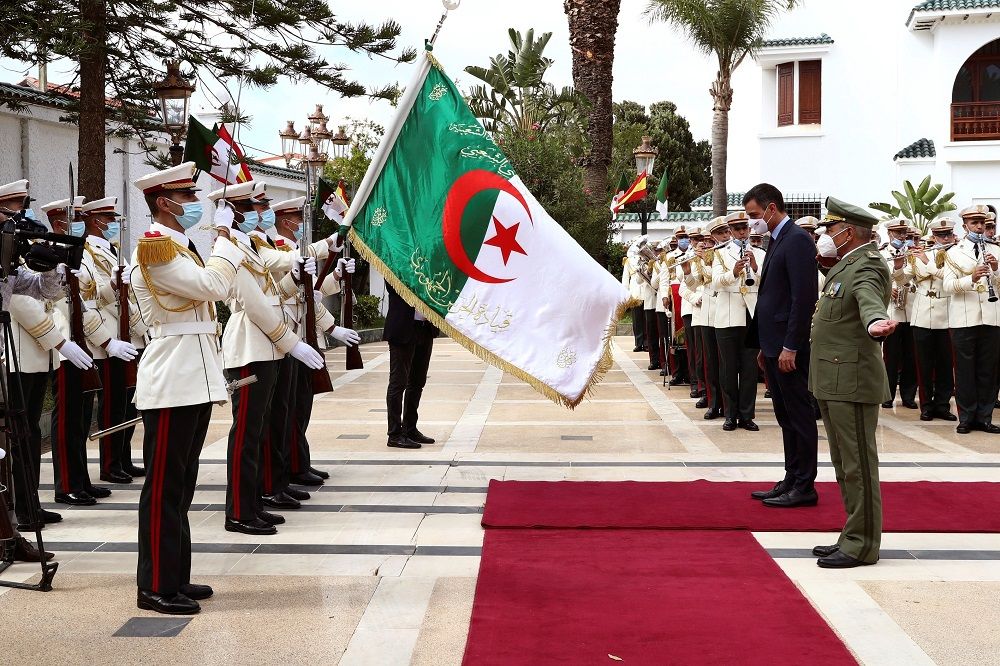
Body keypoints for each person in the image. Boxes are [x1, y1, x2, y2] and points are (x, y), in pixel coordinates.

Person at [130, 162, 249, 614]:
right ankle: (155, 585)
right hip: (170, 380)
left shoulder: (183, 248)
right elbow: (215, 286)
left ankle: (175, 575)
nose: (195, 205)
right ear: (164, 202)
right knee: (162, 488)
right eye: (187, 198)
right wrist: (225, 241)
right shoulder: (155, 249)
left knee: (181, 486)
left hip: (194, 379)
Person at [210, 181, 325, 536]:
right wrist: (291, 342)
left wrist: (306, 264)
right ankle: (240, 511)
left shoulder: (250, 246)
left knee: (259, 431)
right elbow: (255, 305)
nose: (259, 214)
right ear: (232, 211)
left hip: (266, 347)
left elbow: (277, 287)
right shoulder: (229, 249)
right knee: (246, 435)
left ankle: (255, 501)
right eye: (249, 207)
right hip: (249, 349)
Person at [808, 196, 896, 568]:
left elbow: (869, 300)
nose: (826, 234)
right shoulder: (847, 264)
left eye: (830, 229)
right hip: (835, 377)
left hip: (852, 379)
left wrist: (876, 322)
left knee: (858, 463)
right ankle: (852, 533)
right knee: (845, 462)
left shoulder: (867, 266)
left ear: (847, 232)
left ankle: (862, 544)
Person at [743, 183, 819, 508]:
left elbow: (803, 299)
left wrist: (791, 345)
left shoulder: (798, 240)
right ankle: (791, 477)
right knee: (784, 415)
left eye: (754, 215)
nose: (752, 223)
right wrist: (765, 344)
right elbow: (772, 294)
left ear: (771, 208)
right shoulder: (778, 239)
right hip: (773, 345)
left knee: (799, 414)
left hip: (789, 348)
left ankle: (805, 486)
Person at [81, 197, 142, 484]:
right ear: (96, 221)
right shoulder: (85, 254)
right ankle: (110, 463)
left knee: (127, 404)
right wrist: (113, 284)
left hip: (125, 336)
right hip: (105, 341)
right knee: (111, 406)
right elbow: (89, 300)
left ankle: (123, 458)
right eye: (110, 219)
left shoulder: (113, 252)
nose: (115, 225)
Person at [941, 205, 1000, 434]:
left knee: (988, 370)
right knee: (965, 371)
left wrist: (995, 271)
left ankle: (984, 417)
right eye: (974, 222)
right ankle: (965, 417)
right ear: (965, 225)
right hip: (964, 320)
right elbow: (948, 286)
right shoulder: (953, 252)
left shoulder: (996, 251)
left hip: (991, 318)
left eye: (982, 223)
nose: (979, 226)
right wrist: (971, 278)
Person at [710, 211, 764, 431]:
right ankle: (730, 414)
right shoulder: (720, 253)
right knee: (728, 368)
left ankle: (747, 415)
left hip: (750, 315)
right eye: (738, 229)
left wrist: (755, 267)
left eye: (745, 228)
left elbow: (765, 282)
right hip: (728, 316)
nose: (742, 232)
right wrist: (733, 273)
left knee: (750, 369)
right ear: (731, 231)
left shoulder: (759, 253)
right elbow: (715, 283)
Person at [907, 219, 956, 421]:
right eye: (941, 235)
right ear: (934, 236)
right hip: (922, 314)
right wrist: (899, 266)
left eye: (948, 234)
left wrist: (927, 262)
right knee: (924, 363)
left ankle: (943, 405)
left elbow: (948, 277)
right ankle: (926, 405)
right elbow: (903, 279)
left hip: (946, 315)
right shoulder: (918, 253)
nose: (945, 238)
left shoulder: (956, 255)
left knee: (945, 363)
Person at [384, 283, 439, 449]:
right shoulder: (396, 261)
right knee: (398, 383)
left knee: (417, 382)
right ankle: (394, 434)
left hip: (425, 328)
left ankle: (410, 428)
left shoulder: (427, 264)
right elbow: (396, 286)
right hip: (403, 328)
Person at [880, 220, 918, 409]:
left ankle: (908, 396)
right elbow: (878, 281)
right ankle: (887, 395)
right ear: (889, 234)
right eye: (898, 232)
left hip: (911, 310)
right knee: (891, 357)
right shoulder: (881, 254)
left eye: (904, 232)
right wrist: (889, 290)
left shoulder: (914, 255)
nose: (902, 236)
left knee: (910, 356)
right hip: (891, 312)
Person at [621, 241, 645, 351]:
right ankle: (639, 342)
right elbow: (625, 278)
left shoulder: (646, 259)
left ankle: (647, 343)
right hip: (635, 291)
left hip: (646, 291)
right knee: (637, 319)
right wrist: (625, 294)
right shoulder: (629, 261)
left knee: (647, 320)